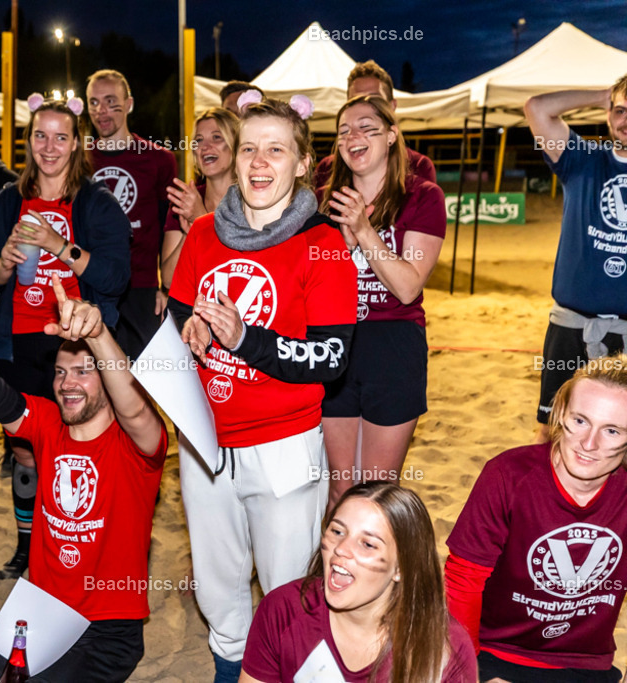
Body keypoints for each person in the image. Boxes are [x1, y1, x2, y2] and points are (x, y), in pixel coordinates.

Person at [166, 92, 357, 681]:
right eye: (249, 148)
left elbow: (331, 357)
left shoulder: (322, 244)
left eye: (276, 149)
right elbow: (176, 312)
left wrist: (244, 338)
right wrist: (192, 326)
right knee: (219, 584)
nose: (257, 162)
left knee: (287, 590)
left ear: (302, 163)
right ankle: (230, 667)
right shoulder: (202, 234)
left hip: (282, 445)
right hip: (205, 440)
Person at [0, 267, 167, 683]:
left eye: (83, 371)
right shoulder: (45, 422)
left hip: (108, 629)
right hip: (38, 607)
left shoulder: (137, 444)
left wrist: (97, 334)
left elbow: (132, 407)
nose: (67, 383)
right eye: (60, 372)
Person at [0, 94, 131, 581]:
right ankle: (30, 548)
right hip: (17, 343)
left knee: (84, 447)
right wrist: (4, 264)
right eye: (40, 135)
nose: (49, 147)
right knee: (26, 449)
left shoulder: (97, 203)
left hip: (75, 342)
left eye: (61, 137)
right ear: (29, 141)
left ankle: (83, 543)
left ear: (76, 145)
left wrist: (57, 244)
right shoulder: (7, 200)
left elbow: (113, 277)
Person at [446, 355, 627, 682]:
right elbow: (463, 580)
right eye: (581, 421)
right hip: (495, 651)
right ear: (560, 414)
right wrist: (470, 672)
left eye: (612, 431)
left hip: (585, 662)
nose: (589, 444)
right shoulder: (507, 475)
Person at [318, 95, 446, 506]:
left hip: (394, 345)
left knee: (375, 488)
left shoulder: (423, 195)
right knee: (339, 485)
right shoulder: (323, 200)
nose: (353, 136)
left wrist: (364, 228)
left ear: (392, 136)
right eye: (344, 131)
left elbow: (408, 286)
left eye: (367, 128)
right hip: (334, 343)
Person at [241, 481, 476, 683]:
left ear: (401, 568)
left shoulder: (444, 648)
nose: (341, 549)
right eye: (337, 531)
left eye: (368, 544)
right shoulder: (283, 610)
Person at [524, 74, 627, 441]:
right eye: (619, 111)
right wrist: (603, 95)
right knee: (553, 431)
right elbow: (537, 108)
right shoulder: (583, 160)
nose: (625, 120)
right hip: (571, 328)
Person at [85, 69, 177, 358]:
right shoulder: (78, 160)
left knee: (141, 389)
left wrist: (164, 288)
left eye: (111, 101)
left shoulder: (159, 160)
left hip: (141, 291)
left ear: (129, 104)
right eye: (93, 102)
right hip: (90, 286)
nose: (101, 111)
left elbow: (170, 228)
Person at [313, 60, 436, 190]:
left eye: (375, 100)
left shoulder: (418, 166)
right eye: (356, 101)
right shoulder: (326, 169)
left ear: (392, 106)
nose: (365, 108)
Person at [161, 106, 238, 287]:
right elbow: (168, 280)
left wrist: (201, 220)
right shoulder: (185, 201)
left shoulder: (254, 201)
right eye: (198, 140)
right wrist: (190, 234)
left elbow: (239, 271)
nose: (205, 147)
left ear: (236, 144)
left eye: (216, 137)